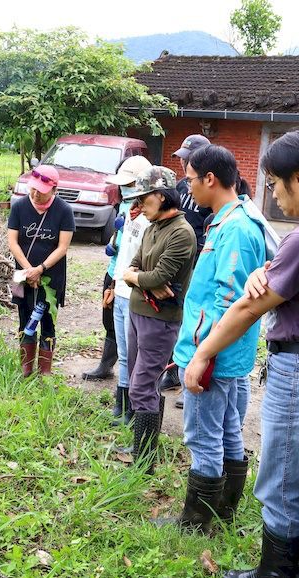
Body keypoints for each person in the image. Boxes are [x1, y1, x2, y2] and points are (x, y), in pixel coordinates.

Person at [184, 128, 299, 578]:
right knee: (298, 480)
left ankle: (275, 574)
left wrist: (202, 353)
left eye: (276, 182)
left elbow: (247, 308)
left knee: (281, 483)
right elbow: (282, 279)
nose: (273, 193)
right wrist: (263, 271)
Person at [166, 144, 266, 533]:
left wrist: (201, 354)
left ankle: (195, 523)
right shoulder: (226, 221)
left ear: (210, 179)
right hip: (223, 353)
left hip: (216, 354)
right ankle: (222, 514)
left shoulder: (237, 229)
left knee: (203, 436)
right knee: (226, 432)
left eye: (189, 179)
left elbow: (229, 302)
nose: (186, 187)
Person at [121, 166, 196, 474]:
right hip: (139, 311)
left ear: (161, 196)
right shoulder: (152, 226)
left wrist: (138, 277)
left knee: (141, 386)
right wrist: (138, 278)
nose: (139, 204)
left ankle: (145, 460)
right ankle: (142, 447)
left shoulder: (182, 232)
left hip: (160, 320)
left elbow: (161, 276)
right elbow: (135, 268)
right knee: (141, 383)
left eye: (145, 197)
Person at [81, 160, 152, 381]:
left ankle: (127, 378)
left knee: (132, 333)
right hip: (115, 271)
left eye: (129, 183)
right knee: (109, 319)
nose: (124, 187)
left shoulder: (147, 214)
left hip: (133, 278)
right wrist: (114, 244)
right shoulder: (125, 206)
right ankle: (107, 364)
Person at [156, 135, 214, 394]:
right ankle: (174, 368)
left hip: (200, 258)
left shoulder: (211, 190)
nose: (183, 163)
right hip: (176, 258)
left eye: (187, 159)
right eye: (181, 158)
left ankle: (192, 373)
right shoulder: (181, 186)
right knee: (175, 311)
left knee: (195, 314)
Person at [7, 165, 75, 376]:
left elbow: (62, 247)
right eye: (33, 189)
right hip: (24, 275)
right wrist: (29, 270)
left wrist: (42, 268)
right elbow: (13, 242)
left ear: (54, 189)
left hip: (52, 275)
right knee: (25, 317)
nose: (36, 194)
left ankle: (45, 371)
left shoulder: (64, 210)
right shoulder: (19, 207)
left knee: (47, 320)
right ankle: (26, 367)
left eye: (42, 191)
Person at [106, 156, 153, 423]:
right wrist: (112, 283)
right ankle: (121, 404)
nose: (125, 190)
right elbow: (122, 256)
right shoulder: (129, 212)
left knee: (136, 356)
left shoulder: (148, 220)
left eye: (130, 184)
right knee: (124, 354)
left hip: (135, 294)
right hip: (121, 291)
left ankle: (135, 409)